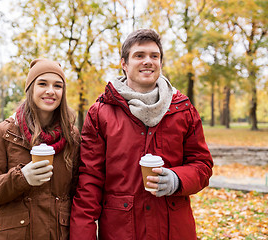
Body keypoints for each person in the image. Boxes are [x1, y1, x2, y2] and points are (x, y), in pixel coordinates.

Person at [70, 29, 213, 239]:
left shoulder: (183, 109)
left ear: (160, 63)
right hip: (121, 231)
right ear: (124, 64)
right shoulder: (101, 113)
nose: (148, 61)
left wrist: (177, 179)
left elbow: (202, 164)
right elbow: (89, 181)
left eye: (154, 56)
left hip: (174, 231)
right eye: (139, 55)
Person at [0, 58, 80, 240]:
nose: (50, 91)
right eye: (42, 83)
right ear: (30, 88)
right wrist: (21, 178)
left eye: (58, 85)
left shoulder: (72, 136)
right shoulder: (5, 132)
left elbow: (77, 192)